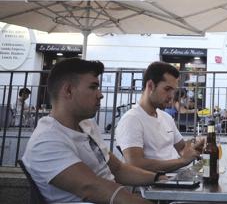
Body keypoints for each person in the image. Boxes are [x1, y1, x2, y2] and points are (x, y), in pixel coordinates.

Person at [22, 58, 159, 204]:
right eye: (93, 87)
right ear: (68, 90)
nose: (100, 94)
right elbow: (92, 188)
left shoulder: (86, 125)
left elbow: (118, 169)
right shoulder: (47, 140)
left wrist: (159, 178)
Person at [116, 61, 203, 172]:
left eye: (174, 91)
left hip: (175, 177)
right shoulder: (131, 120)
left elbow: (182, 148)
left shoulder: (166, 117)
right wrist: (181, 162)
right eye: (167, 89)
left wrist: (195, 147)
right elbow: (135, 164)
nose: (171, 96)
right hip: (157, 183)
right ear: (151, 86)